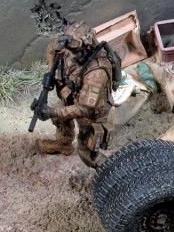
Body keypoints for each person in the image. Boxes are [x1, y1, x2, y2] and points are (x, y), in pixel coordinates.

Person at [36, 21, 115, 169]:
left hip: (91, 111)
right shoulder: (68, 45)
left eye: (74, 51)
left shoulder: (97, 72)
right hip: (72, 95)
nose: (69, 54)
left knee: (86, 150)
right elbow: (52, 47)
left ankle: (111, 172)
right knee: (60, 118)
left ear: (87, 47)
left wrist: (51, 112)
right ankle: (64, 144)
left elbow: (84, 108)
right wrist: (51, 72)